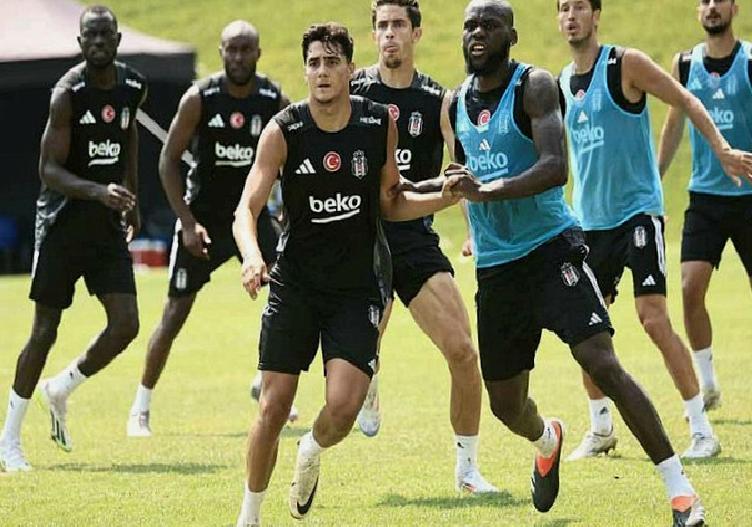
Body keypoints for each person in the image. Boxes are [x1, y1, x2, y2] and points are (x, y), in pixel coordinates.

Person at [445, 1, 721, 524]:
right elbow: (461, 175)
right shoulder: (454, 102)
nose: (477, 34)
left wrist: (487, 191)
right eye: (470, 26)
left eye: (490, 25)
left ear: (512, 36)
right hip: (497, 269)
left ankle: (680, 490)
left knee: (601, 361)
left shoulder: (535, 86)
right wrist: (448, 204)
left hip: (552, 249)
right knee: (506, 405)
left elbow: (555, 167)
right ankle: (548, 439)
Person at [232, 23, 460, 526]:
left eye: (332, 62)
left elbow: (392, 202)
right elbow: (246, 209)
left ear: (350, 70)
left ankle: (310, 451)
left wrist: (445, 197)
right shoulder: (284, 130)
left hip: (356, 288)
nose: (322, 72)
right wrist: (251, 256)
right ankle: (249, 517)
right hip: (295, 286)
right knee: (273, 406)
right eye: (314, 63)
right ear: (305, 71)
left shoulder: (378, 124)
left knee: (343, 407)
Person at [555, 0, 749, 461]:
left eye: (579, 6)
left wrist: (722, 149)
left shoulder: (626, 64)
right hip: (589, 224)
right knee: (586, 330)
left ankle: (701, 429)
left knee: (654, 319)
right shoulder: (560, 82)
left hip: (638, 214)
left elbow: (686, 99)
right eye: (563, 8)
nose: (571, 16)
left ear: (596, 15)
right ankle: (601, 429)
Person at [348, 0, 496, 493]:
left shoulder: (439, 100)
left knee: (464, 352)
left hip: (414, 237)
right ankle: (367, 376)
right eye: (382, 26)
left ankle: (468, 471)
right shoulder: (354, 91)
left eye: (398, 25)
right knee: (360, 349)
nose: (390, 34)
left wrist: (474, 230)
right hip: (361, 237)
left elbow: (460, 172)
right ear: (374, 35)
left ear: (417, 33)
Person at [126, 21, 296, 437]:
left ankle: (267, 382)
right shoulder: (200, 98)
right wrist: (187, 222)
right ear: (221, 53)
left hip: (251, 220)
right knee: (174, 314)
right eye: (231, 50)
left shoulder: (273, 99)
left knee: (293, 294)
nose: (238, 57)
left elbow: (293, 160)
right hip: (203, 223)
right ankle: (140, 407)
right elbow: (167, 162)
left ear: (258, 54)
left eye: (245, 49)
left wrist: (285, 212)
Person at [0, 5, 145, 471]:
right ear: (80, 43)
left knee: (126, 324)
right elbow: (47, 170)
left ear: (117, 40)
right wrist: (99, 191)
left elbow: (128, 137)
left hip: (104, 226)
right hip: (61, 224)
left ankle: (61, 387)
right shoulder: (67, 94)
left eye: (105, 35)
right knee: (44, 331)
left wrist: (133, 197)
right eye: (90, 37)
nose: (98, 42)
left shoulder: (133, 86)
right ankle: (8, 441)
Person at [658, 0, 752, 413]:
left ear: (735, 8)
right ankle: (708, 383)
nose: (712, 7)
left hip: (749, 196)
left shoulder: (749, 62)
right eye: (705, 1)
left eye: (720, 1)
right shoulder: (684, 64)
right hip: (706, 198)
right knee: (689, 288)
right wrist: (653, 183)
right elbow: (673, 124)